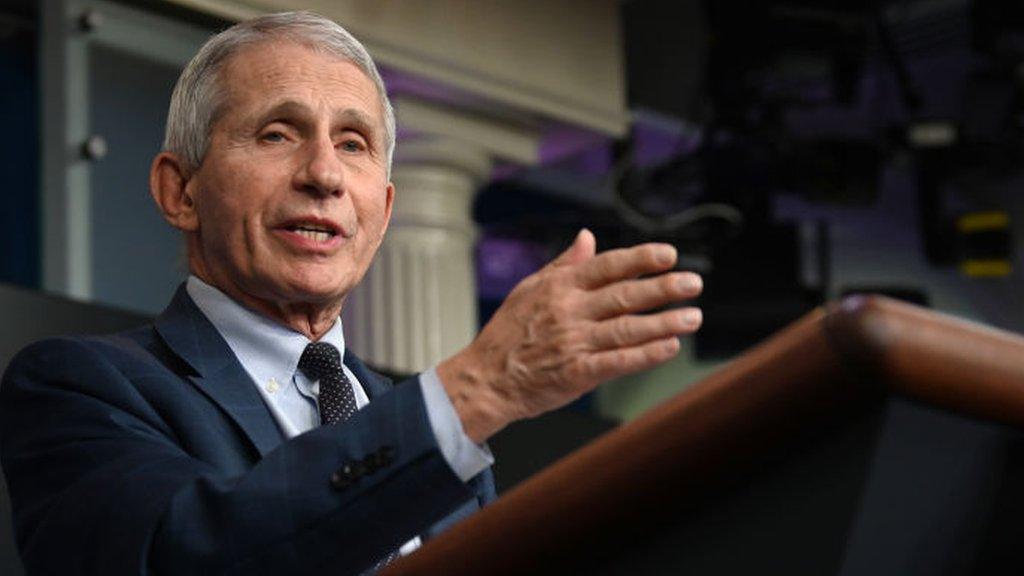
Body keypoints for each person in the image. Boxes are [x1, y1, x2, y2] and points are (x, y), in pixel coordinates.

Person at [0, 11, 703, 576]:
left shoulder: (436, 437)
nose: (324, 176)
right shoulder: (83, 388)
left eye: (354, 144)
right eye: (278, 134)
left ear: (384, 210)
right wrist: (479, 388)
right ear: (180, 191)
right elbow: (185, 553)